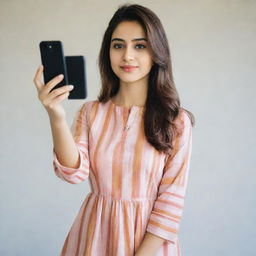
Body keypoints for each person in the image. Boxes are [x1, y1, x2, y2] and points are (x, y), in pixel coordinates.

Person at [33, 3, 195, 256]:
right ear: (107, 52)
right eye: (118, 45)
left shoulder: (176, 121)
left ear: (157, 53)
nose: (127, 55)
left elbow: (171, 202)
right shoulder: (91, 113)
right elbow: (74, 174)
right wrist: (56, 116)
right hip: (93, 236)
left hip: (150, 244)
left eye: (140, 46)